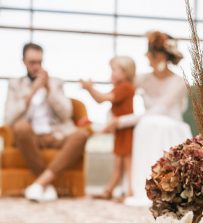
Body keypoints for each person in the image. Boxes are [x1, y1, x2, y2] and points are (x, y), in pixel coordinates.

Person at [106, 31, 192, 206]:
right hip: (147, 122)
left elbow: (160, 109)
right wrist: (112, 117)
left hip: (171, 125)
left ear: (161, 55)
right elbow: (121, 94)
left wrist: (121, 121)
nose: (146, 56)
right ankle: (139, 185)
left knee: (151, 124)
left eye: (150, 52)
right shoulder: (143, 79)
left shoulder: (179, 82)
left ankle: (165, 186)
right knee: (147, 124)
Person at [4, 42, 89, 202]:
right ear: (23, 62)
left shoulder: (56, 83)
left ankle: (41, 183)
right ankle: (46, 185)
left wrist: (49, 90)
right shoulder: (15, 84)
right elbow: (9, 118)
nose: (36, 67)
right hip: (31, 136)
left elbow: (66, 114)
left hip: (56, 134)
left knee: (82, 135)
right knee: (21, 128)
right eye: (32, 62)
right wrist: (32, 91)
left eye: (39, 62)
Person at [81, 56, 135, 200]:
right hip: (120, 130)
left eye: (115, 70)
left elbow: (101, 99)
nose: (112, 73)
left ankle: (130, 191)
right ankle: (110, 190)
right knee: (119, 162)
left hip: (125, 129)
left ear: (126, 72)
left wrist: (90, 88)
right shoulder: (119, 88)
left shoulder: (125, 87)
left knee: (127, 163)